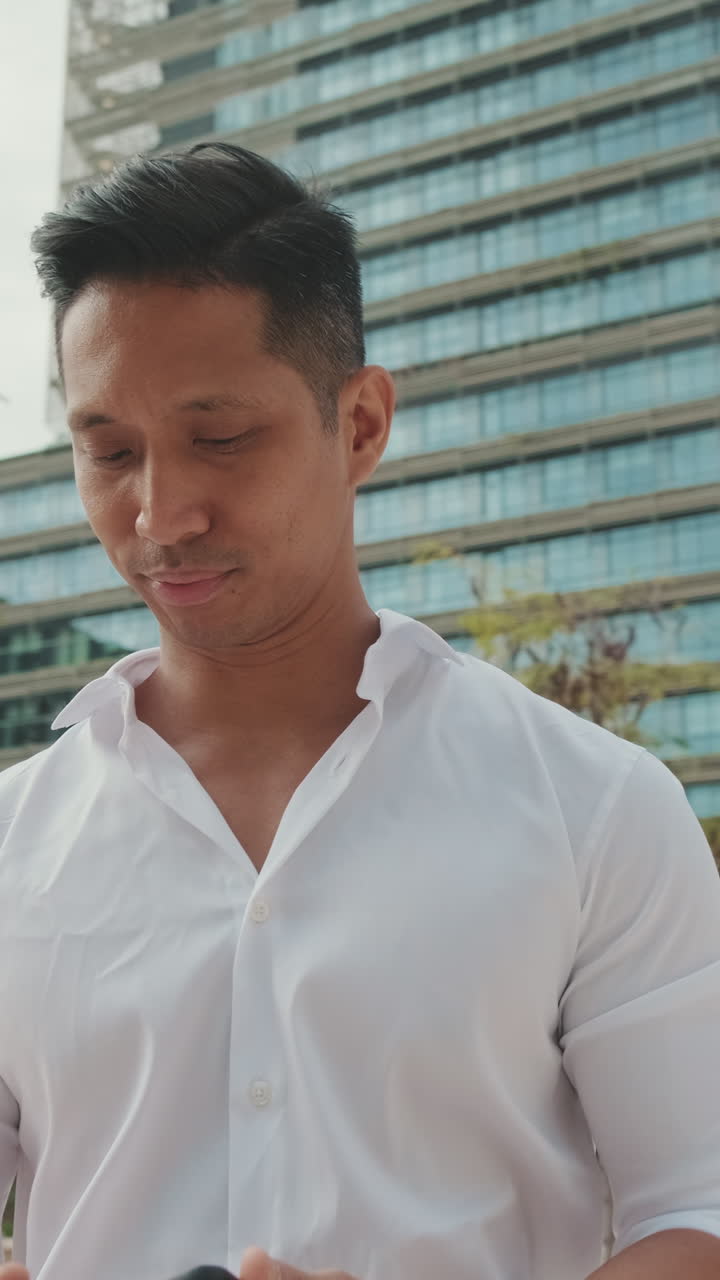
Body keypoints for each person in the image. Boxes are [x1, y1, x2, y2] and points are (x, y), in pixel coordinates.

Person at [0, 143, 719, 1280]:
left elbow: (698, 1214)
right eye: (109, 452)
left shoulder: (596, 807)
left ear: (364, 423)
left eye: (221, 437)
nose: (160, 513)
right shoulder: (7, 844)